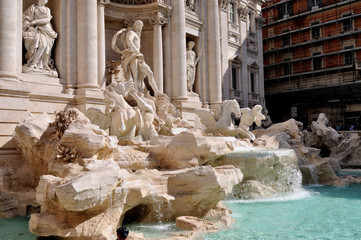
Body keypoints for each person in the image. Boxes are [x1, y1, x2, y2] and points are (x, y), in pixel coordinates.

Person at [112, 20, 162, 96]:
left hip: (138, 57)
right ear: (135, 26)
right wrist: (136, 51)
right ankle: (136, 93)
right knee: (135, 75)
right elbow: (129, 41)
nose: (140, 28)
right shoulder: (131, 33)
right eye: (139, 26)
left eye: (141, 27)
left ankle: (156, 91)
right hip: (133, 55)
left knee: (149, 73)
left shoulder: (137, 36)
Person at [22, 0, 57, 72]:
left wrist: (35, 21)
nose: (46, 0)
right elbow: (26, 17)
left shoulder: (47, 9)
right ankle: (33, 63)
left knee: (45, 46)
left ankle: (40, 64)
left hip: (46, 29)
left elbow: (47, 20)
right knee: (42, 45)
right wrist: (28, 25)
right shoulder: (33, 7)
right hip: (36, 29)